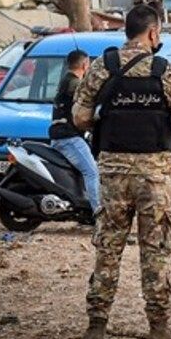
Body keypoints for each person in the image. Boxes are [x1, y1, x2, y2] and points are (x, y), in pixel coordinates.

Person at [73, 4, 171, 339]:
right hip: (154, 177)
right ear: (154, 33)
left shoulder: (101, 67)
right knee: (154, 252)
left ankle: (96, 329)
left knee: (108, 249)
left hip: (112, 173)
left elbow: (80, 118)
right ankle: (159, 331)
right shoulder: (166, 71)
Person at [49, 49, 101, 218]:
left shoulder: (66, 81)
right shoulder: (73, 83)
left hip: (63, 136)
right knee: (92, 172)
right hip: (68, 137)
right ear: (85, 64)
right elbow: (89, 97)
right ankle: (99, 215)